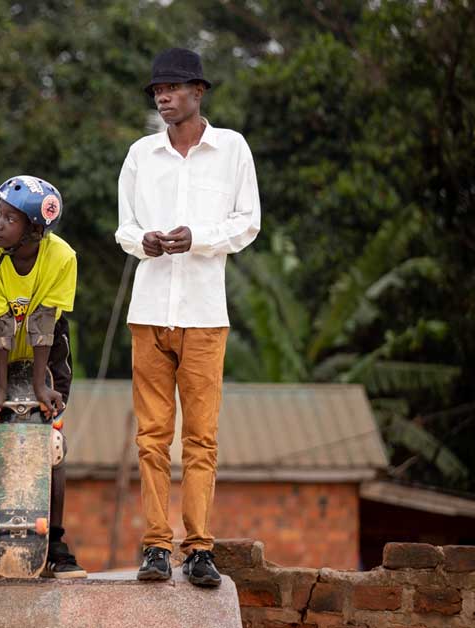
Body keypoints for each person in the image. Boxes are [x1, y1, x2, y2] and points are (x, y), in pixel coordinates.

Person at [116, 48, 261, 587]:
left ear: (198, 92)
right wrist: (145, 242)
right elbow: (124, 228)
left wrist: (198, 239)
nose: (162, 97)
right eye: (157, 90)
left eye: (172, 88)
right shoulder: (140, 154)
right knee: (151, 437)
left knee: (201, 439)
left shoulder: (232, 149)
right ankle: (156, 547)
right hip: (149, 311)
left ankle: (199, 547)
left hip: (204, 314)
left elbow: (248, 223)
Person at [0, 175, 87, 580]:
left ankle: (55, 543)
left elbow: (45, 320)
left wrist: (40, 385)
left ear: (35, 229)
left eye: (9, 219)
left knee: (50, 444)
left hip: (47, 357)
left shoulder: (62, 257)